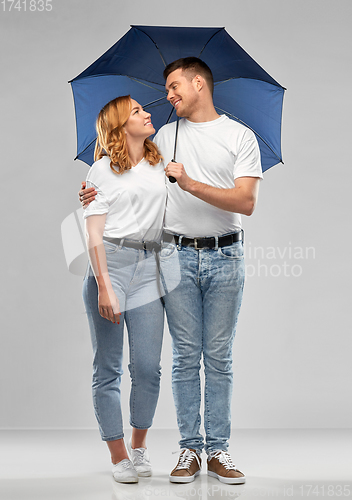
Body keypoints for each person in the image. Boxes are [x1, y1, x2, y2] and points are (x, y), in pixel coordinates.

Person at [79, 57, 262, 485]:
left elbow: (246, 203)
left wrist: (189, 180)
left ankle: (216, 449)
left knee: (213, 357)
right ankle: (186, 449)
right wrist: (91, 190)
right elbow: (118, 179)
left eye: (175, 86)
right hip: (172, 256)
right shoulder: (166, 136)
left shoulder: (238, 136)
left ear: (199, 83)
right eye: (163, 90)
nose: (166, 96)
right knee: (181, 358)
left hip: (222, 255)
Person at [81, 95, 166, 484]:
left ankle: (140, 446)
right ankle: (118, 456)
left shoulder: (159, 162)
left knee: (148, 368)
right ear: (118, 125)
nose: (147, 114)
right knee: (108, 368)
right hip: (110, 266)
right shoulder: (100, 172)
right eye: (137, 111)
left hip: (150, 267)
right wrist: (103, 287)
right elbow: (94, 234)